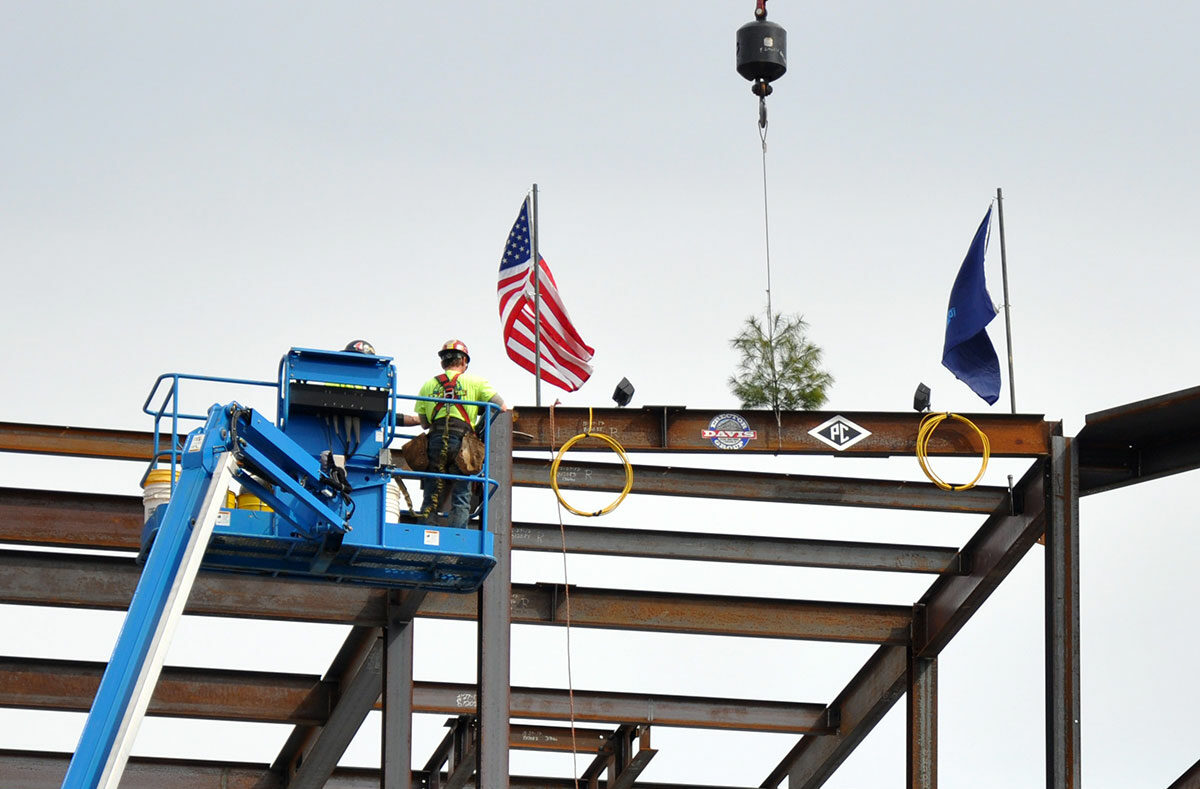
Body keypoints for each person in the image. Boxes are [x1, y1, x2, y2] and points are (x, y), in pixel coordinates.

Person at [413, 340, 509, 526]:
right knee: (462, 493)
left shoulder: (427, 385)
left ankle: (426, 532)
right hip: (463, 442)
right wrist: (477, 410)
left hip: (435, 440)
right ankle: (458, 535)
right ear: (464, 361)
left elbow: (424, 424)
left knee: (431, 493)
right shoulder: (477, 382)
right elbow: (502, 408)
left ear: (443, 362)